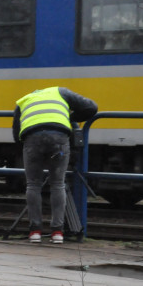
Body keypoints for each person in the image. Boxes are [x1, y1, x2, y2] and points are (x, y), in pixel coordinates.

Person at [13, 86, 97, 244]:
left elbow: (16, 133)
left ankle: (35, 232)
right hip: (58, 138)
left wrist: (25, 150)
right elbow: (91, 107)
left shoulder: (23, 100)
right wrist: (71, 118)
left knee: (33, 185)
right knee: (57, 183)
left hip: (32, 139)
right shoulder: (61, 92)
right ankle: (57, 232)